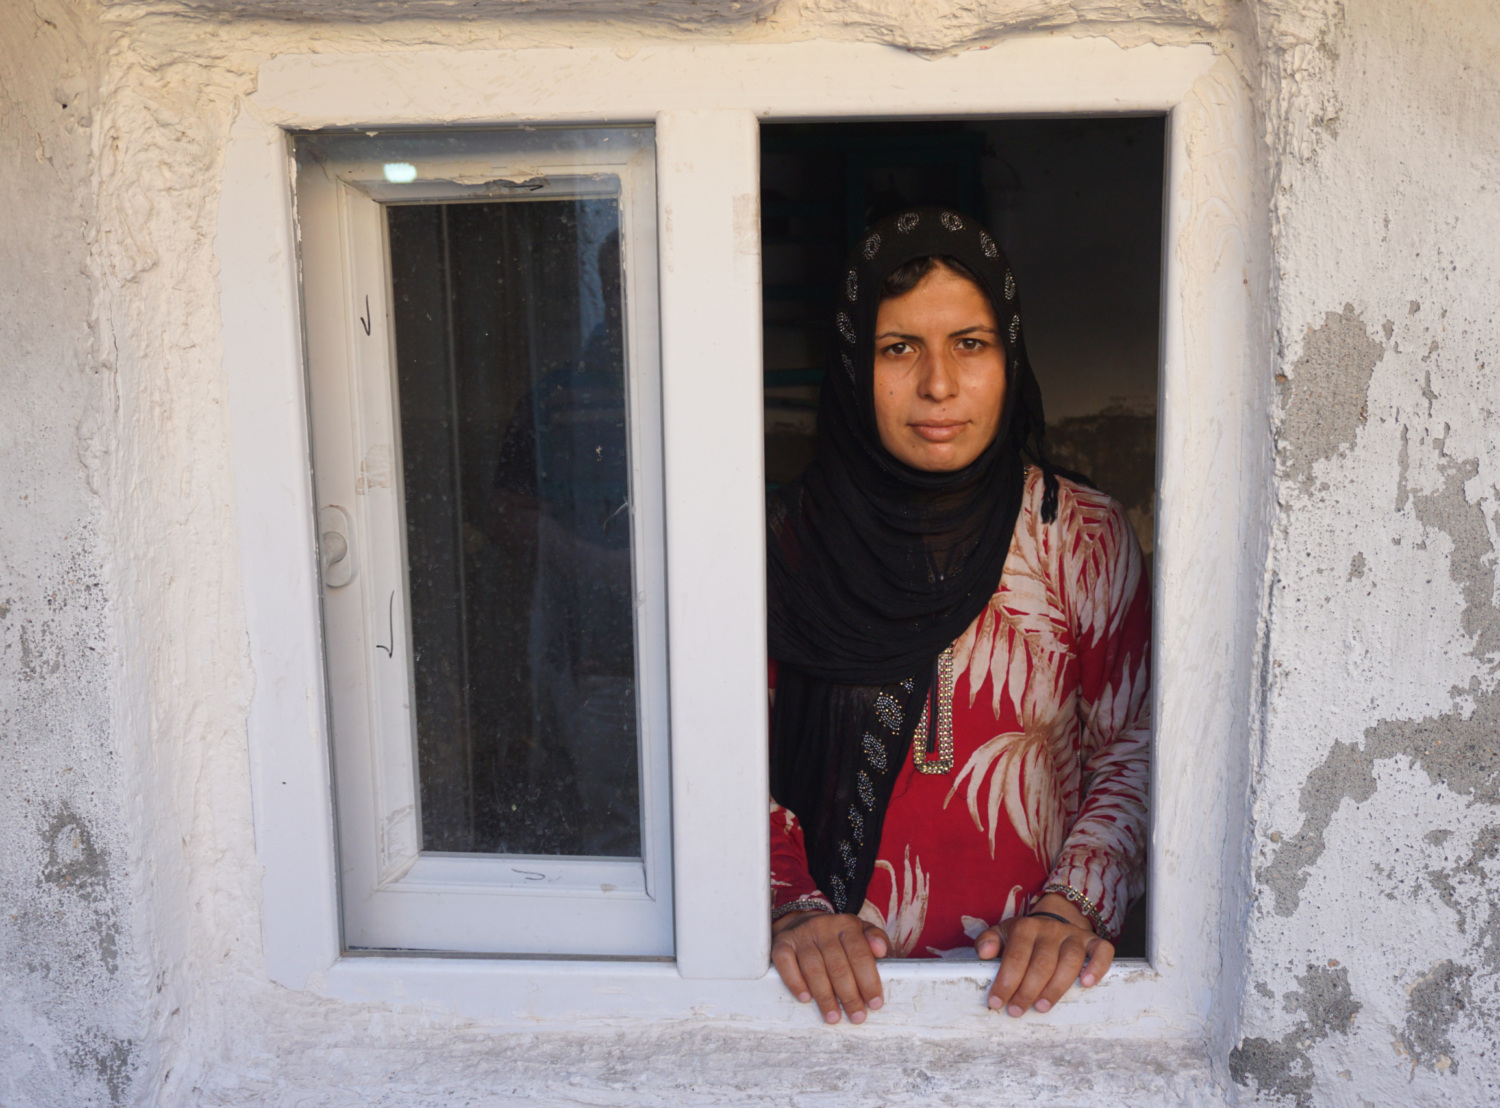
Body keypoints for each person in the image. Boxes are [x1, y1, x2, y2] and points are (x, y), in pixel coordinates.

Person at [765, 207, 1150, 1025]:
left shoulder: (1077, 534)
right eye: (897, 347)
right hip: (816, 1002)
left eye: (969, 344)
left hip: (1031, 999)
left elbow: (1135, 749)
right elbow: (716, 757)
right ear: (849, 361)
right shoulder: (781, 545)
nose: (938, 384)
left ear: (1009, 356)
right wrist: (788, 907)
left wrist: (1069, 911)